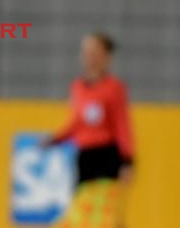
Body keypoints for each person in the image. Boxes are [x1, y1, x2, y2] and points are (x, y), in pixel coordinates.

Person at [44, 33, 135, 228]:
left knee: (104, 219)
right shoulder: (78, 87)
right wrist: (55, 139)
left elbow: (122, 125)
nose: (89, 57)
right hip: (85, 160)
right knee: (81, 218)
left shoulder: (114, 88)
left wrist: (128, 160)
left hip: (107, 160)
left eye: (94, 53)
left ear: (106, 57)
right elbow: (77, 124)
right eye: (86, 53)